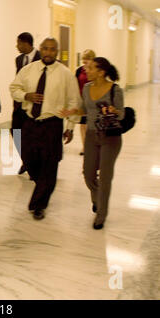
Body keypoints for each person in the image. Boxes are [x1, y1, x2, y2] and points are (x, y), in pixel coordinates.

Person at [9, 37, 80, 220]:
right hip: (30, 122)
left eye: (52, 50)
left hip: (52, 124)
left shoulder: (65, 74)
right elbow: (13, 88)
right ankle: (42, 184)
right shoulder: (29, 70)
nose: (48, 53)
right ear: (40, 49)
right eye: (46, 49)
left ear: (57, 52)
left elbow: (74, 101)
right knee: (29, 158)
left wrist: (70, 127)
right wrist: (26, 95)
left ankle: (39, 204)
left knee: (49, 164)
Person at [80, 57, 124, 230]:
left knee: (105, 177)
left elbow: (121, 115)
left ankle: (101, 214)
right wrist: (72, 111)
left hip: (110, 137)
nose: (86, 70)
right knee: (88, 174)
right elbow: (84, 109)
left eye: (90, 68)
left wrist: (114, 110)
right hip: (91, 135)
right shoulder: (86, 88)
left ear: (101, 72)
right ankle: (97, 197)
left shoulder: (115, 90)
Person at [13, 32, 41, 175]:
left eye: (18, 43)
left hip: (35, 105)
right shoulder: (18, 59)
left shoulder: (41, 58)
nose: (17, 46)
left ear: (26, 43)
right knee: (16, 132)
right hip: (20, 103)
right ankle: (26, 160)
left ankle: (33, 164)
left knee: (33, 137)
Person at [75, 49, 96, 155]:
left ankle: (91, 145)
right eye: (83, 59)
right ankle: (84, 146)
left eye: (87, 59)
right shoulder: (79, 71)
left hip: (92, 100)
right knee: (83, 124)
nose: (85, 61)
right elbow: (75, 84)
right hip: (82, 100)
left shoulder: (96, 71)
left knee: (90, 124)